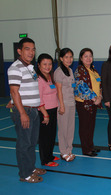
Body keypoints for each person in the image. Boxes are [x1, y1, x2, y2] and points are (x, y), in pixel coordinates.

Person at [8, 38, 46, 183]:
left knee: (31, 142)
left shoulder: (30, 68)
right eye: (27, 49)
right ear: (19, 51)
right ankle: (25, 174)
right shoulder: (15, 68)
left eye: (33, 49)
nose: (31, 52)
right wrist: (22, 112)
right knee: (24, 143)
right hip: (24, 111)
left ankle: (31, 168)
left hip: (34, 110)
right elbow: (14, 91)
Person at [74, 48, 102, 157]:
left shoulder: (93, 70)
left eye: (90, 56)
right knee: (85, 126)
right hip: (84, 103)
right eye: (86, 56)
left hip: (94, 102)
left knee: (91, 126)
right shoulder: (79, 70)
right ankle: (86, 149)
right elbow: (82, 87)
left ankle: (90, 146)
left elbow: (99, 84)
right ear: (81, 58)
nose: (88, 58)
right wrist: (95, 98)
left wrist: (99, 96)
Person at [36, 53, 59, 167]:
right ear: (39, 65)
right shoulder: (39, 79)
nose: (47, 66)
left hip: (53, 110)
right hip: (44, 112)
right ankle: (45, 160)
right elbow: (39, 98)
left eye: (50, 64)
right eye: (44, 64)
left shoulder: (50, 76)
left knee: (51, 134)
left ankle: (50, 155)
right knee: (44, 137)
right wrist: (45, 114)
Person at [54, 48, 76, 161]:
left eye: (71, 57)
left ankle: (69, 150)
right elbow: (58, 90)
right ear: (61, 58)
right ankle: (63, 152)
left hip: (72, 103)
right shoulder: (58, 72)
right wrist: (61, 105)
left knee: (70, 128)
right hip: (64, 104)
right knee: (63, 129)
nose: (69, 59)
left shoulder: (70, 70)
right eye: (66, 57)